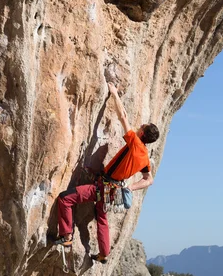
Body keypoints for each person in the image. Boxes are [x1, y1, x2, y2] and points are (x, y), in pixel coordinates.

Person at [55, 82, 160, 263]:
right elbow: (149, 180)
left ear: (142, 133)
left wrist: (114, 93)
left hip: (102, 187)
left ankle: (66, 236)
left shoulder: (135, 142)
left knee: (65, 198)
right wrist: (130, 187)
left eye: (143, 126)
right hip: (113, 191)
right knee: (102, 219)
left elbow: (123, 116)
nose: (140, 125)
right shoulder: (144, 158)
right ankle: (104, 253)